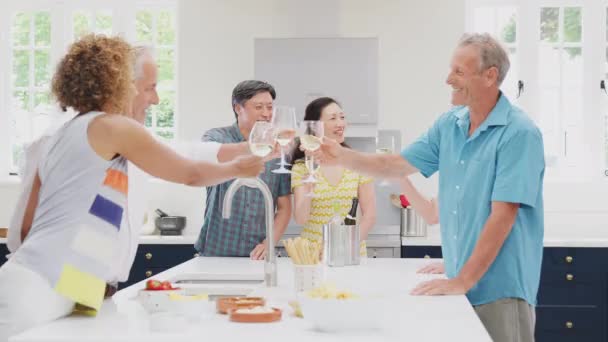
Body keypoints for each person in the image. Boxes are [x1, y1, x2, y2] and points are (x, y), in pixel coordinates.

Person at [0, 34, 264, 340]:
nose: (155, 99)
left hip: (40, 283)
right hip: (37, 292)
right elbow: (189, 173)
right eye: (150, 88)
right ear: (120, 82)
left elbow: (28, 226)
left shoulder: (65, 134)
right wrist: (238, 169)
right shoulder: (114, 127)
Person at [312, 33, 545, 342]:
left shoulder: (519, 133)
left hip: (499, 288)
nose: (448, 79)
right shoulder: (450, 124)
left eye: (459, 72)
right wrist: (341, 154)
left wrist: (463, 278)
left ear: (490, 76)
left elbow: (502, 216)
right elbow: (395, 165)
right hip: (460, 281)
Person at [195, 80, 292, 259]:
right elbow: (209, 157)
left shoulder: (279, 150)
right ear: (238, 108)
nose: (266, 113)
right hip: (215, 254)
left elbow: (284, 208)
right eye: (259, 107)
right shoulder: (216, 137)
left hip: (257, 256)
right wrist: (256, 148)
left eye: (270, 107)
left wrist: (269, 242)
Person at [291, 97, 376, 256]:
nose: (340, 123)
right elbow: (301, 219)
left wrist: (348, 246)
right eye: (333, 118)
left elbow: (369, 216)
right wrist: (310, 186)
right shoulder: (302, 167)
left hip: (350, 254)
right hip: (313, 256)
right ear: (316, 127)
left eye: (342, 117)